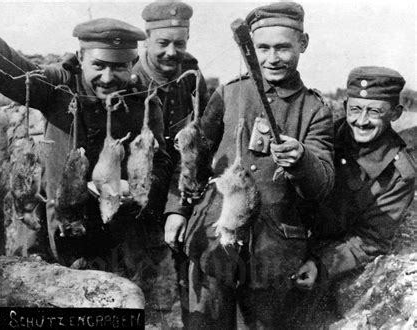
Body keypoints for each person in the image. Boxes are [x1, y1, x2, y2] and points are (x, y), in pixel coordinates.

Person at [0, 1, 173, 270]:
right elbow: (17, 72)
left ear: (134, 63)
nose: (107, 77)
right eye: (99, 65)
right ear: (81, 57)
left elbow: (161, 162)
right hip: (55, 232)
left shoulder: (145, 103)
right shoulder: (58, 86)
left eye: (119, 68)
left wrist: (138, 187)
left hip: (115, 236)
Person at [166, 2, 335, 328]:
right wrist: (176, 210)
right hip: (212, 248)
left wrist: (302, 160)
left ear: (303, 43)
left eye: (283, 47)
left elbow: (323, 184)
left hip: (272, 260)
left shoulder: (314, 110)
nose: (273, 57)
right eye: (263, 48)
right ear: (250, 49)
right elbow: (192, 158)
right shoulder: (229, 94)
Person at [295, 67, 416, 291]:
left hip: (325, 255)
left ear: (395, 114)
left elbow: (371, 239)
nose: (361, 121)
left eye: (374, 112)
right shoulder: (318, 138)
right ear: (344, 107)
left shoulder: (399, 174)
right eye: (356, 109)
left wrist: (321, 264)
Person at [132, 0, 209, 325]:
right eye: (163, 43)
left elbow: (197, 148)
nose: (171, 52)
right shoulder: (130, 81)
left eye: (179, 43)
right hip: (136, 210)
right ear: (146, 40)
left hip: (179, 205)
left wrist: (177, 208)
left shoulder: (191, 78)